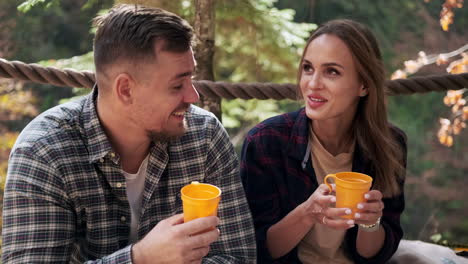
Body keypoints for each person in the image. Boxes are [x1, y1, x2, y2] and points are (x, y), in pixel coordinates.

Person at [2, 4, 256, 263]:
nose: (194, 96)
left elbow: (237, 256)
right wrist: (141, 258)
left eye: (191, 79)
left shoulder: (205, 135)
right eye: (177, 85)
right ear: (125, 89)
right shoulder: (44, 152)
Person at [240, 19, 407, 264]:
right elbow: (257, 250)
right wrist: (307, 213)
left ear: (364, 85)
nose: (313, 84)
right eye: (308, 68)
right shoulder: (265, 142)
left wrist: (370, 223)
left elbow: (375, 256)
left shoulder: (390, 144)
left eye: (332, 71)